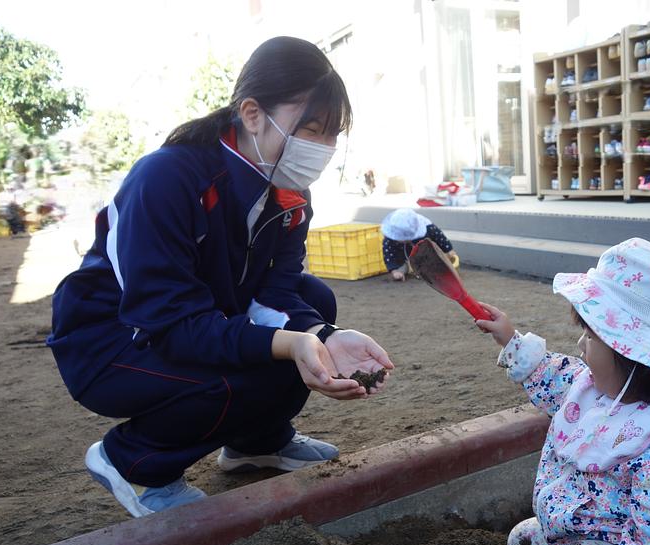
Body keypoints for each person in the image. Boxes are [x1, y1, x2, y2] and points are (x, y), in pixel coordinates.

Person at [47, 36, 394, 518]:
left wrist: (323, 335)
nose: (323, 148)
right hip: (118, 339)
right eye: (310, 129)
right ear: (252, 114)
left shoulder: (289, 195)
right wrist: (289, 345)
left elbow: (280, 293)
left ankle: (257, 442)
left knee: (314, 300)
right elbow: (170, 323)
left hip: (192, 319)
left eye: (333, 134)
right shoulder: (167, 178)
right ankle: (133, 461)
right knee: (237, 378)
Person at [476, 238, 650, 545]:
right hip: (570, 531)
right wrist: (510, 339)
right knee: (522, 541)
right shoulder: (596, 388)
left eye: (590, 336)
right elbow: (554, 377)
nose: (580, 345)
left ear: (635, 357)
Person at [380, 208, 458, 281]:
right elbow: (389, 253)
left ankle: (427, 269)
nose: (404, 240)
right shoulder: (390, 237)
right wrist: (394, 270)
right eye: (401, 238)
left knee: (436, 261)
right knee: (399, 266)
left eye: (406, 238)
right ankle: (401, 271)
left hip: (425, 254)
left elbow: (440, 238)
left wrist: (448, 250)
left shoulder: (428, 227)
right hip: (403, 256)